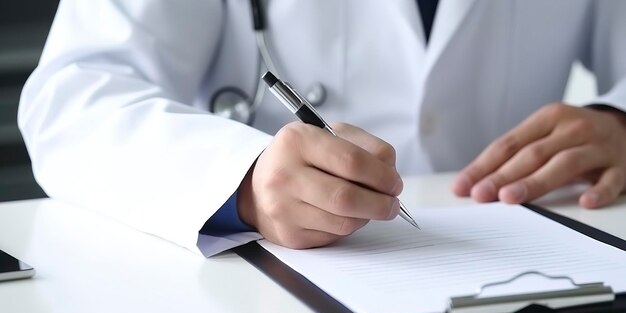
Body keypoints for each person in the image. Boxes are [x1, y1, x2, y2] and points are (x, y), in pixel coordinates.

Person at [18, 0, 626, 256]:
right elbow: (72, 96)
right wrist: (243, 180)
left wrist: (619, 119)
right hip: (267, 302)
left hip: (526, 262)